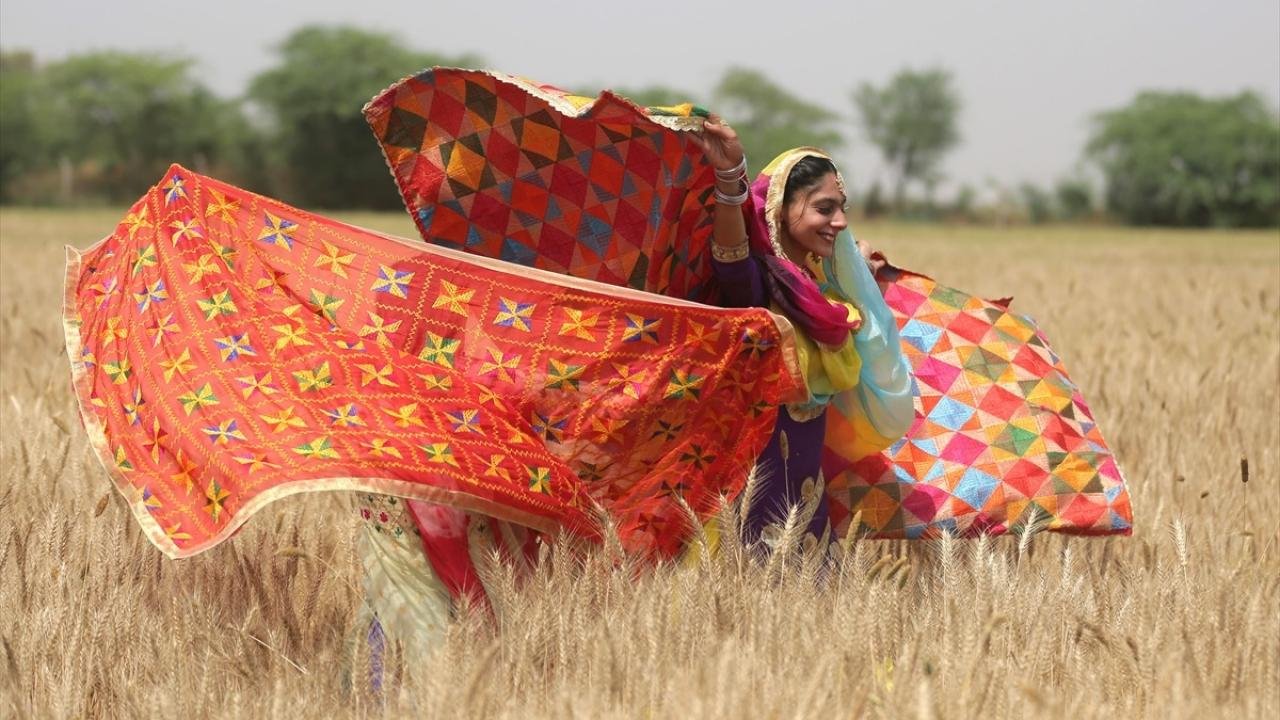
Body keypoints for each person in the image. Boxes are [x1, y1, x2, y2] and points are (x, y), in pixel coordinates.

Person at [690, 118, 915, 550]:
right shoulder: (760, 288)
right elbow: (733, 260)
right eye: (824, 208)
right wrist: (728, 175)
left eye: (842, 208)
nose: (841, 222)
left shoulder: (827, 297)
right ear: (780, 208)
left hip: (808, 507)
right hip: (751, 502)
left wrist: (864, 274)